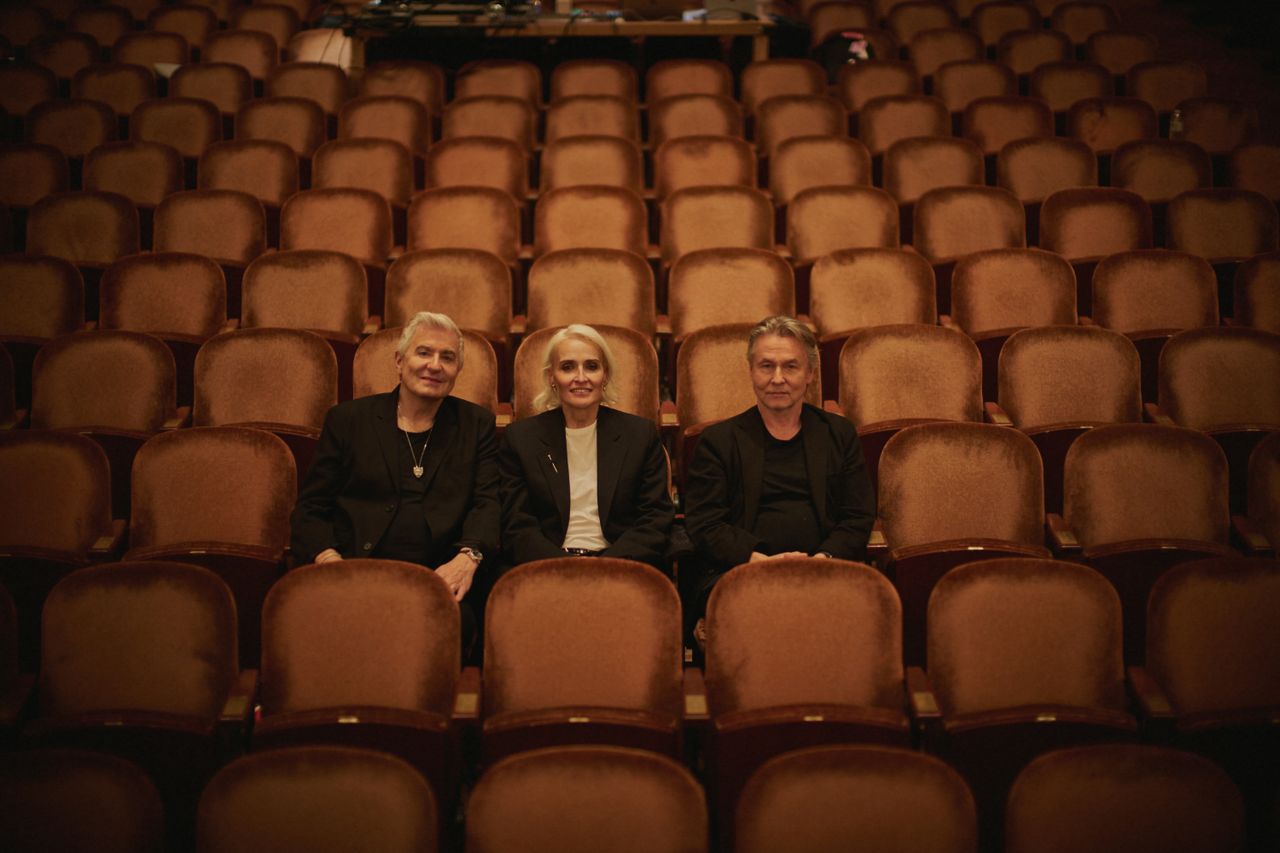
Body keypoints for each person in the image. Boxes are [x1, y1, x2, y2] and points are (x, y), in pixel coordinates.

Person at [291, 311, 500, 654]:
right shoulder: (348, 421)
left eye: (447, 358)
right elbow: (310, 510)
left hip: (438, 581)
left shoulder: (476, 425)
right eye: (424, 353)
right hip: (354, 571)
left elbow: (488, 502)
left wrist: (468, 557)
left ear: (457, 371)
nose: (435, 365)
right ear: (400, 361)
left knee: (453, 626)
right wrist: (331, 565)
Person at [683, 315, 876, 637]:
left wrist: (822, 560)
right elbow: (705, 523)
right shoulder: (718, 441)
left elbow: (857, 516)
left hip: (825, 573)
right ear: (750, 372)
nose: (777, 378)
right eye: (766, 366)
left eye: (790, 366)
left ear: (810, 374)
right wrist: (760, 562)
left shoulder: (838, 434)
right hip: (741, 573)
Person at [499, 324, 674, 572]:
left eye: (591, 366)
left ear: (605, 375)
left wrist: (604, 566)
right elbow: (517, 525)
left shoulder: (640, 435)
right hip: (545, 568)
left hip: (623, 566)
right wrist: (566, 567)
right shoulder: (521, 438)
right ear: (552, 377)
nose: (580, 378)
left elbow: (655, 519)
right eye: (567, 367)